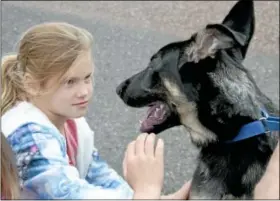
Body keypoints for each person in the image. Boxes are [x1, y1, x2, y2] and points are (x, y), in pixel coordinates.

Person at [1, 22, 190, 199]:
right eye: (70, 82)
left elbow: (101, 178)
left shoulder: (72, 126)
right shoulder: (27, 136)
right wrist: (146, 192)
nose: (84, 91)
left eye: (87, 77)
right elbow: (70, 195)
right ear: (32, 85)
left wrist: (156, 197)